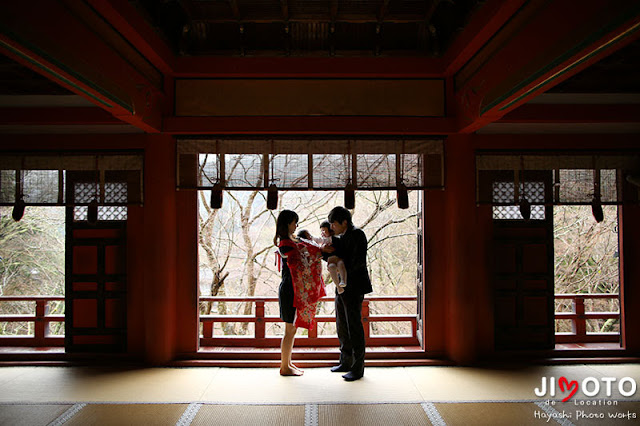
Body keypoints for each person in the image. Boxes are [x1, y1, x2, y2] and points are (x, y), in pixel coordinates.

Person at [274, 210, 326, 377]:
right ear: (287, 223)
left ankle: (287, 363)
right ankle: (284, 366)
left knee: (292, 329)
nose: (296, 225)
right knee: (289, 330)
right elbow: (303, 256)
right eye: (294, 222)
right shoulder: (285, 244)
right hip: (291, 290)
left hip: (293, 288)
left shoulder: (292, 241)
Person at [326, 206, 372, 381]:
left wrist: (339, 261)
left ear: (344, 222)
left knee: (354, 326)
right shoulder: (341, 236)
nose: (332, 227)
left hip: (355, 285)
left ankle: (357, 367)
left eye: (334, 223)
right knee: (342, 324)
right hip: (342, 286)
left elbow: (357, 261)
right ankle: (345, 360)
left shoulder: (357, 234)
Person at [298, 225, 347, 294]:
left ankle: (343, 280)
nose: (322, 232)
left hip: (337, 259)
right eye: (321, 231)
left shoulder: (333, 239)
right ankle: (339, 287)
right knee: (331, 267)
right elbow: (317, 241)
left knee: (341, 264)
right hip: (329, 261)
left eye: (324, 230)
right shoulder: (310, 244)